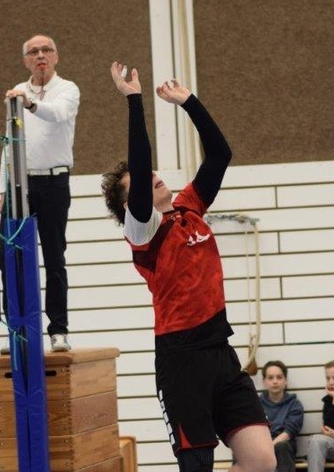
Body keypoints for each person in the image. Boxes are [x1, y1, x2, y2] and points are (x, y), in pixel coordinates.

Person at [101, 62, 274, 472]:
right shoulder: (142, 231)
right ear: (129, 205)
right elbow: (141, 164)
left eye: (153, 173)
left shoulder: (190, 207)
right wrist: (134, 101)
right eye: (141, 180)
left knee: (261, 462)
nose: (153, 176)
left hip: (220, 352)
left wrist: (188, 102)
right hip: (181, 361)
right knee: (198, 466)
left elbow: (220, 154)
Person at [0, 34, 80, 353]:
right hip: (20, 184)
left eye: (46, 50)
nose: (40, 55)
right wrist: (3, 189)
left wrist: (29, 104)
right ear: (26, 60)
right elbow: (9, 143)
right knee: (10, 257)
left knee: (54, 258)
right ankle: (17, 330)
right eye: (34, 51)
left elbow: (56, 113)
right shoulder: (17, 91)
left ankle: (58, 330)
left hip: (54, 184)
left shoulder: (67, 89)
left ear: (56, 57)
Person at [260, 361, 305, 472]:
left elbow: (289, 433)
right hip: (261, 445)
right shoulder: (256, 404)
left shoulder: (295, 404)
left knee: (282, 446)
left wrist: (269, 448)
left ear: (286, 381)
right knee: (241, 451)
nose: (275, 381)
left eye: (279, 377)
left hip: (284, 445)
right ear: (264, 382)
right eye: (270, 378)